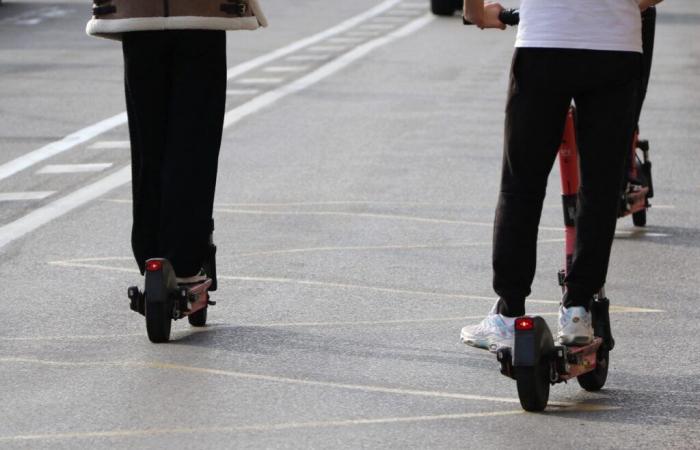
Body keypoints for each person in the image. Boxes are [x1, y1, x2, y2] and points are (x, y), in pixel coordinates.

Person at [460, 0, 663, 352]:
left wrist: (476, 13)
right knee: (600, 188)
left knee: (521, 184)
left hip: (544, 43)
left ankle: (510, 313)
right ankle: (578, 309)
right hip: (615, 50)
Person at [86, 1, 267, 283]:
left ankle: (150, 250)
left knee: (148, 145)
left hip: (137, 14)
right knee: (195, 143)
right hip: (201, 14)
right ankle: (185, 257)